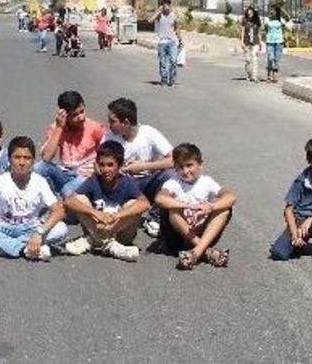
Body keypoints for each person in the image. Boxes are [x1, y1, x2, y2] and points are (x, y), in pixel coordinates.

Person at [0, 136, 68, 261]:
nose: (22, 162)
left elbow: (59, 210)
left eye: (27, 158)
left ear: (33, 160)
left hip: (30, 229)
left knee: (61, 229)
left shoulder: (39, 181)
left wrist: (39, 233)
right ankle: (25, 250)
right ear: (9, 159)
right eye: (17, 157)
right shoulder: (2, 180)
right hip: (3, 227)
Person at [63, 141, 150, 262]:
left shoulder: (127, 182)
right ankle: (110, 246)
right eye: (102, 165)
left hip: (120, 232)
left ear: (119, 166)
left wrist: (116, 216)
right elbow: (69, 201)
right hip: (98, 226)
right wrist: (96, 213)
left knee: (133, 204)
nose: (105, 169)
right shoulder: (94, 180)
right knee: (79, 199)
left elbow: (145, 204)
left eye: (110, 165)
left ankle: (94, 241)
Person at [155, 143, 236, 270]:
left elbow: (230, 197)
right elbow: (160, 199)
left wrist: (210, 207)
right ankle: (206, 251)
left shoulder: (206, 181)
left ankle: (196, 252)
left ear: (200, 165)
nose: (185, 171)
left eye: (189, 165)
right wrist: (191, 206)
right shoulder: (173, 182)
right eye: (180, 167)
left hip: (202, 232)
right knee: (172, 209)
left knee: (225, 209)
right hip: (178, 237)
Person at [103, 97, 174, 237]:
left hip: (147, 182)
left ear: (126, 123)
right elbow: (99, 163)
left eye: (112, 121)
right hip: (122, 184)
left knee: (171, 175)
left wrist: (143, 166)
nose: (109, 125)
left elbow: (174, 160)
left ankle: (155, 216)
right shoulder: (110, 136)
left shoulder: (149, 133)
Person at [33, 91, 105, 197]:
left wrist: (96, 171)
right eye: (74, 115)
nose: (81, 117)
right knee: (38, 168)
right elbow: (46, 158)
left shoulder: (95, 128)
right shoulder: (56, 128)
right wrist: (59, 128)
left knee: (67, 190)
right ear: (65, 115)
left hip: (87, 176)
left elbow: (108, 154)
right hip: (66, 172)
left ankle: (62, 198)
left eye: (82, 111)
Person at [152, 0, 182, 87]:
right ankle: (164, 80)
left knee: (173, 61)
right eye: (164, 6)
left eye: (167, 6)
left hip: (172, 42)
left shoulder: (174, 15)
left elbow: (177, 28)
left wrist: (180, 38)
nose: (166, 8)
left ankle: (172, 81)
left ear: (169, 6)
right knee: (163, 62)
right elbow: (150, 20)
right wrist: (158, 11)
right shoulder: (159, 15)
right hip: (162, 42)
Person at [264, 5, 289, 83]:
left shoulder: (280, 20)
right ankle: (268, 75)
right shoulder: (267, 20)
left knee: (276, 60)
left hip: (279, 42)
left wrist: (282, 10)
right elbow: (265, 29)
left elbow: (288, 18)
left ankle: (274, 76)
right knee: (270, 58)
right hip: (270, 42)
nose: (272, 12)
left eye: (274, 10)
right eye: (271, 11)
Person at [240, 6, 264, 83]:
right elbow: (243, 32)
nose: (250, 14)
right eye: (248, 13)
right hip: (247, 42)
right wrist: (242, 41)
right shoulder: (244, 21)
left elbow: (259, 32)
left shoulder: (257, 21)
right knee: (247, 60)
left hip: (255, 42)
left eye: (251, 13)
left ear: (253, 13)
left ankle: (254, 76)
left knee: (254, 57)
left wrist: (260, 42)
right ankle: (249, 73)